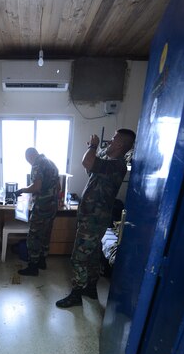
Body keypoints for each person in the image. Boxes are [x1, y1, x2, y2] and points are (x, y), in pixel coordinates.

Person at [56, 129, 136, 308]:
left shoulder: (118, 165)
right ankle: (90, 288)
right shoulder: (107, 161)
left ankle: (76, 295)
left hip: (94, 220)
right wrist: (95, 148)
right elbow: (89, 167)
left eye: (114, 139)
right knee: (91, 256)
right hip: (89, 216)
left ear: (121, 144)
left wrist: (93, 146)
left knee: (78, 258)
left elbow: (87, 160)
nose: (110, 142)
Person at [15, 147, 60, 276]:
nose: (29, 163)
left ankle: (33, 267)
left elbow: (36, 187)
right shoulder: (51, 163)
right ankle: (42, 261)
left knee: (33, 236)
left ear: (30, 156)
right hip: (52, 207)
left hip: (42, 207)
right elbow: (59, 186)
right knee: (45, 235)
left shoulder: (37, 164)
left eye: (28, 160)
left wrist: (22, 190)